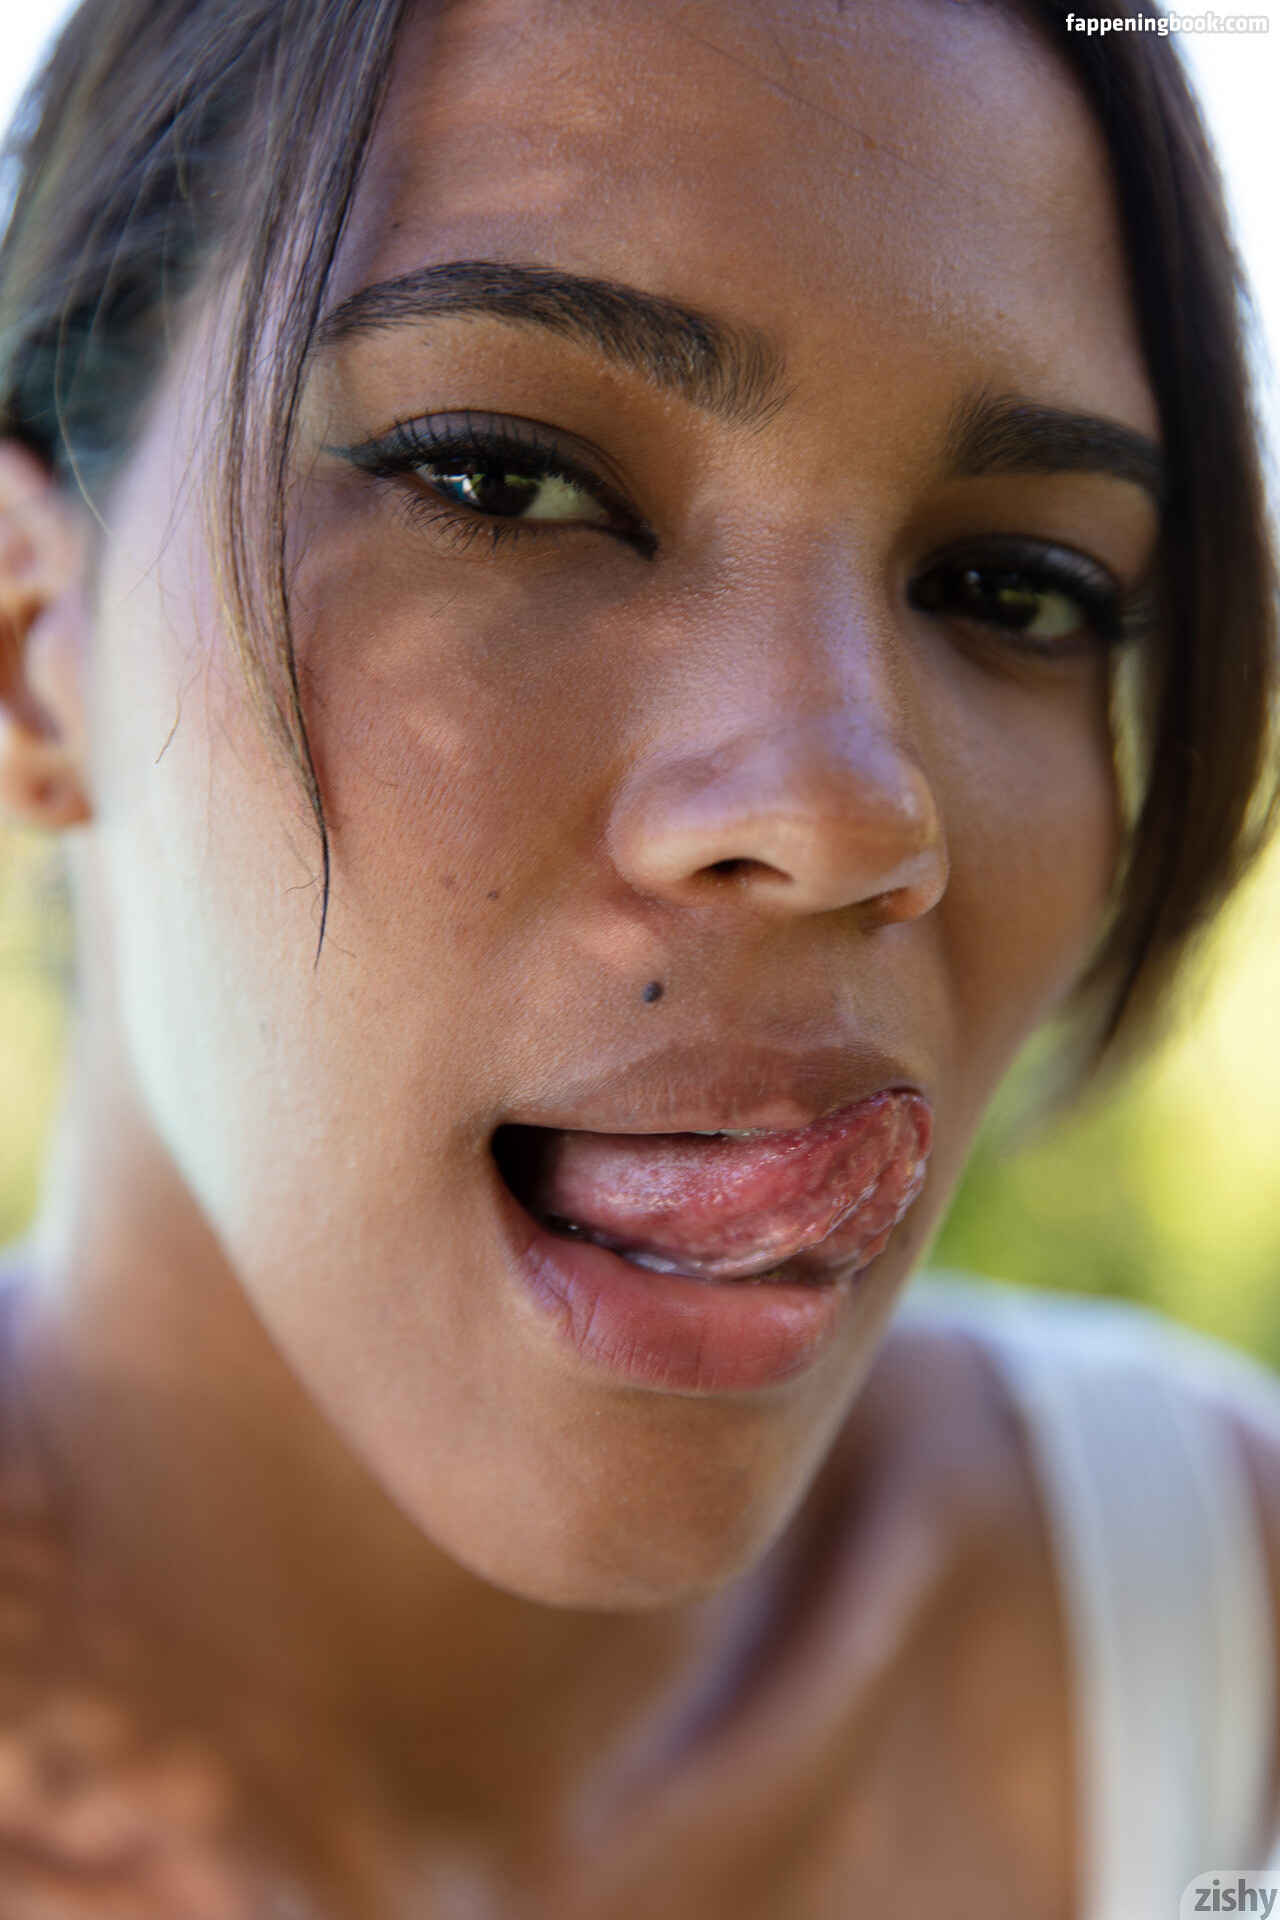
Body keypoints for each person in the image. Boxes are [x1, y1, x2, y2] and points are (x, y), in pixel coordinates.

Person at [0, 0, 1274, 1913]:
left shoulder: (1225, 1634)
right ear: (34, 642)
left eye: (1014, 589)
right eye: (501, 481)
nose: (851, 810)